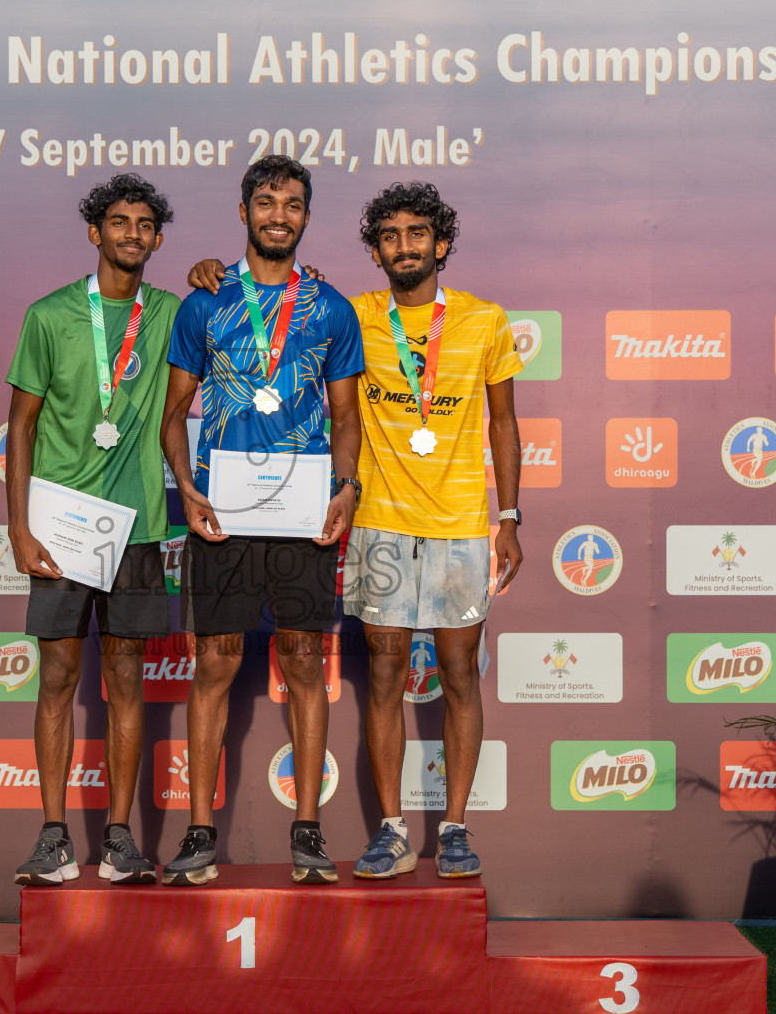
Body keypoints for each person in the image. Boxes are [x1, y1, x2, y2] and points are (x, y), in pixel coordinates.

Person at [187, 182, 524, 879]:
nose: (406, 245)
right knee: (384, 678)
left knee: (461, 675)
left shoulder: (486, 320)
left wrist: (511, 516)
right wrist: (212, 273)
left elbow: (504, 423)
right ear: (375, 251)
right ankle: (394, 831)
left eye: (419, 233)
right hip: (376, 521)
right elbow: (275, 300)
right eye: (391, 235)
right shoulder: (350, 314)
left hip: (462, 524)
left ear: (443, 243)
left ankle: (456, 828)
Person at [159, 155, 363, 886]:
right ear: (244, 209)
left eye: (294, 204)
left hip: (306, 514)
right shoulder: (204, 304)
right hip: (225, 515)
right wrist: (187, 486)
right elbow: (173, 414)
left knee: (304, 663)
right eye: (267, 202)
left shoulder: (331, 307)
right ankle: (199, 833)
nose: (280, 214)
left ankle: (307, 830)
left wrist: (345, 487)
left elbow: (345, 415)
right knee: (213, 665)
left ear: (307, 216)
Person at [4, 173, 181, 886]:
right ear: (94, 231)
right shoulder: (49, 316)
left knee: (128, 680)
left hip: (136, 528)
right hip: (60, 526)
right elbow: (19, 428)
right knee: (56, 676)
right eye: (119, 222)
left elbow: (254, 293)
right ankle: (51, 836)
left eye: (144, 225)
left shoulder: (171, 311)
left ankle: (118, 839)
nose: (131, 233)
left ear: (157, 239)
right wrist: (17, 529)